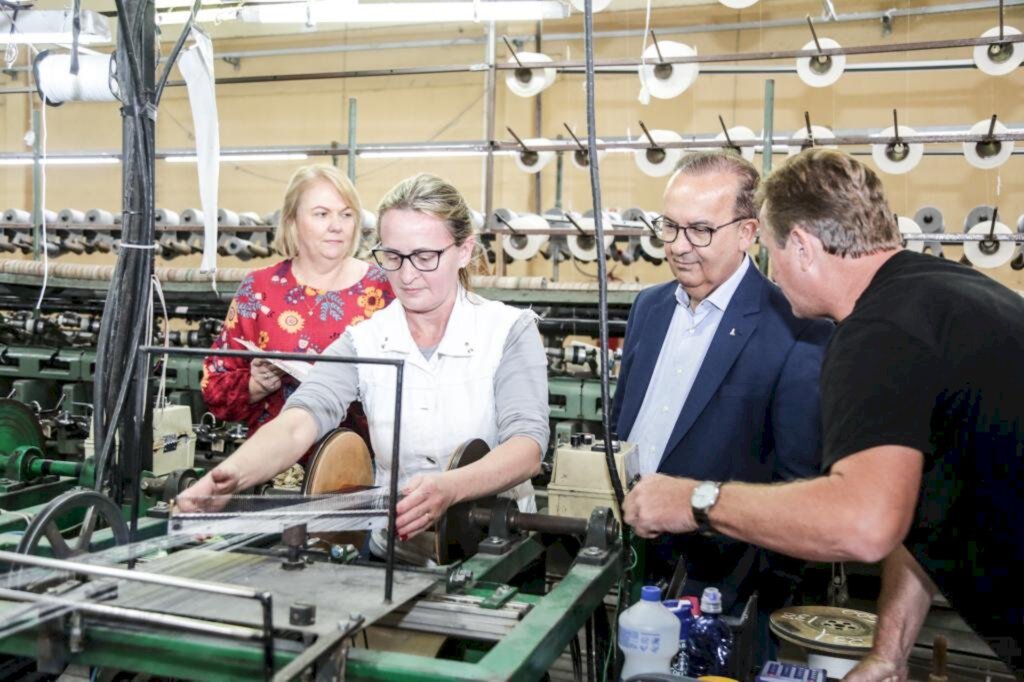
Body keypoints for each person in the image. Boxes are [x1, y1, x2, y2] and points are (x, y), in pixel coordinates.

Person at [624, 148, 1024, 678]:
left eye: (770, 251)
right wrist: (890, 651)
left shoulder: (878, 333)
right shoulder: (940, 297)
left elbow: (864, 524)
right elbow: (920, 509)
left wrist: (696, 501)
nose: (771, 273)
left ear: (805, 248)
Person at [180, 173, 549, 564]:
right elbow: (299, 421)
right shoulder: (365, 337)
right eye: (392, 257)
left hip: (494, 547)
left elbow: (526, 445)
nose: (406, 276)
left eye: (425, 257)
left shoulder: (508, 329)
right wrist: (228, 478)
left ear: (463, 250)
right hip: (396, 549)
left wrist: (451, 488)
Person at [611, 150, 832, 654]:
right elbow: (623, 426)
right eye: (668, 227)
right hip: (629, 568)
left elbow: (800, 486)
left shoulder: (796, 329)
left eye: (699, 230)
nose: (678, 247)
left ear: (747, 232)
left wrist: (754, 600)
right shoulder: (649, 308)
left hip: (722, 594)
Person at [201, 165, 394, 446]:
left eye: (346, 214)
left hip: (364, 464)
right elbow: (214, 387)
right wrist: (256, 386)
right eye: (321, 214)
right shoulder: (259, 289)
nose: (336, 226)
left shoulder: (384, 288)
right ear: (292, 221)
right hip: (279, 468)